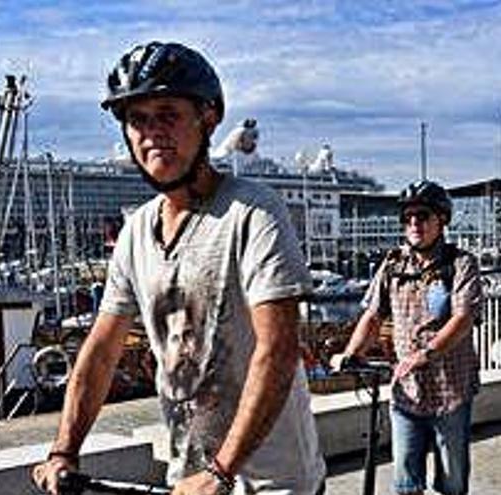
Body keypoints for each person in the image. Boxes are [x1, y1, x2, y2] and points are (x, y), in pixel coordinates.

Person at [31, 41, 326, 495]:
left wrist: (222, 471)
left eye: (167, 114)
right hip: (187, 478)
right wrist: (64, 450)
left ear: (208, 117)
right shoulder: (135, 234)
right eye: (137, 120)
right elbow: (103, 349)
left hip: (272, 484)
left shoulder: (253, 212)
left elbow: (279, 349)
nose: (152, 133)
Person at [330, 180, 482, 495]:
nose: (414, 223)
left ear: (441, 220)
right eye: (408, 216)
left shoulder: (461, 263)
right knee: (405, 483)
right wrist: (350, 353)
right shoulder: (393, 263)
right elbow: (373, 315)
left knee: (452, 485)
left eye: (423, 215)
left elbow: (463, 319)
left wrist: (422, 355)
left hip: (449, 393)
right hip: (407, 395)